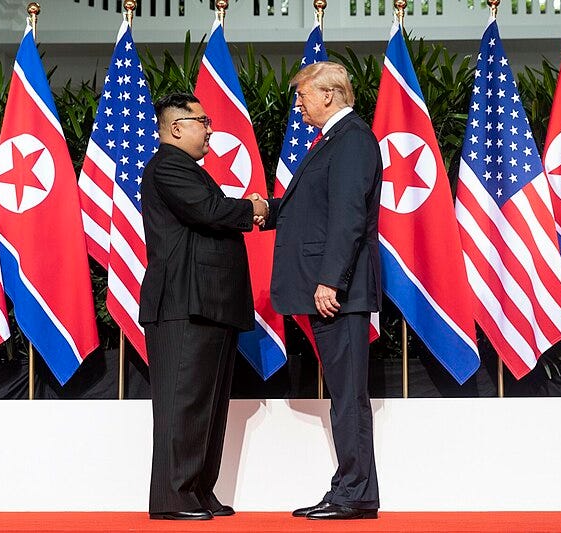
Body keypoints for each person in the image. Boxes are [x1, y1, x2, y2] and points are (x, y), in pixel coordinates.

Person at [260, 61, 383, 520]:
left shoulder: (351, 139)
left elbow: (349, 217)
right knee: (344, 393)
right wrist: (263, 211)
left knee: (348, 395)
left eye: (303, 96)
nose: (298, 104)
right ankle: (356, 491)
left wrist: (330, 279)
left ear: (329, 95)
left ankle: (352, 493)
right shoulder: (335, 139)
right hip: (331, 289)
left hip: (338, 292)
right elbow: (311, 209)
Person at [139, 92, 269, 521]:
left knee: (208, 405)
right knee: (183, 403)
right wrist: (251, 207)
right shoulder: (169, 165)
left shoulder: (186, 168)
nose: (210, 128)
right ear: (176, 128)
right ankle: (173, 498)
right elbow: (209, 211)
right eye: (202, 121)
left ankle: (197, 491)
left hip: (207, 303)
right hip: (183, 303)